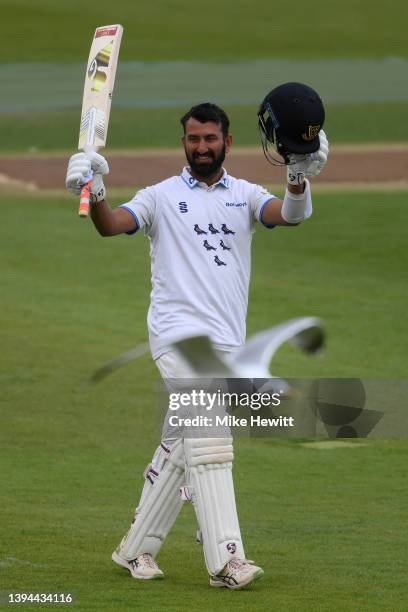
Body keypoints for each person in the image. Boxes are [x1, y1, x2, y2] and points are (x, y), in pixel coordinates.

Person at [66, 82, 329, 590]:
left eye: (210, 138)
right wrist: (95, 189)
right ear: (183, 143)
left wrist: (298, 176)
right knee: (210, 440)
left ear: (227, 142)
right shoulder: (159, 198)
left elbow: (291, 216)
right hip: (176, 337)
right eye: (192, 139)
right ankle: (227, 560)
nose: (201, 146)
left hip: (227, 343)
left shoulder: (246, 196)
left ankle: (135, 550)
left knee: (180, 446)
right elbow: (111, 224)